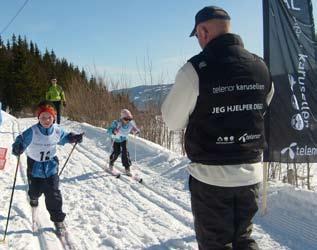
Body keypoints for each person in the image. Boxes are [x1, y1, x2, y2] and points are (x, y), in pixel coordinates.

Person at [161, 6, 274, 250]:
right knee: (243, 238)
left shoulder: (195, 69)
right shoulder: (261, 67)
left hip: (211, 177)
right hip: (251, 173)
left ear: (203, 31)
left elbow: (172, 121)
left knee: (215, 243)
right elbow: (265, 105)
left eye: (198, 36)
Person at [12, 101, 83, 232]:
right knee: (35, 192)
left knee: (53, 194)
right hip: (35, 167)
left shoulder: (56, 130)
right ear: (38, 118)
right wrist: (17, 147)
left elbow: (65, 137)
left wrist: (73, 138)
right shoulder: (32, 132)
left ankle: (58, 220)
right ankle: (33, 198)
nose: (46, 120)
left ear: (54, 117)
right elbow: (20, 140)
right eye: (43, 117)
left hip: (51, 167)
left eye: (49, 117)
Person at [107, 109, 140, 176]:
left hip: (124, 139)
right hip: (116, 140)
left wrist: (136, 132)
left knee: (125, 152)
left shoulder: (130, 124)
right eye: (126, 119)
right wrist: (113, 131)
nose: (127, 121)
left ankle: (127, 168)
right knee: (117, 152)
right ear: (122, 118)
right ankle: (111, 162)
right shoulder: (116, 123)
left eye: (129, 119)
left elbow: (135, 129)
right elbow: (109, 130)